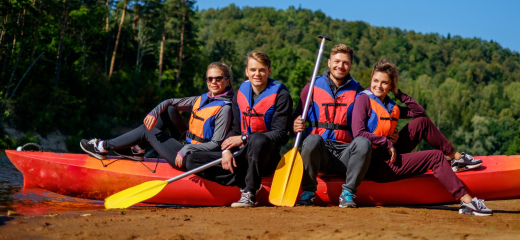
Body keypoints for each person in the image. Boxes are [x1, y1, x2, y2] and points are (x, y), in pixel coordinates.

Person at [352, 59, 492, 216]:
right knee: (435, 156)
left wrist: (399, 94)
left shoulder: (390, 104)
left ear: (391, 86)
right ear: (371, 80)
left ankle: (457, 158)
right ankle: (467, 202)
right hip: (376, 166)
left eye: (385, 83)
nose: (378, 86)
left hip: (389, 154)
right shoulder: (363, 100)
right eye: (375, 80)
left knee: (422, 123)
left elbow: (419, 112)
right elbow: (358, 133)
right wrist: (386, 142)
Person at [185, 51, 293, 207]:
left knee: (257, 138)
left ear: (269, 71)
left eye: (262, 70)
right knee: (192, 160)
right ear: (246, 72)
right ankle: (244, 182)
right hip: (241, 155)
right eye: (253, 69)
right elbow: (235, 128)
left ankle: (249, 193)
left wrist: (244, 139)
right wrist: (225, 151)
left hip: (266, 157)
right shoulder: (240, 93)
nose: (257, 74)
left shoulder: (281, 95)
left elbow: (280, 134)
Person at [79, 62, 234, 170]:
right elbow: (170, 101)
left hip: (195, 156)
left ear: (227, 81)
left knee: (148, 131)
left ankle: (103, 146)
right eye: (210, 78)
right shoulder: (203, 99)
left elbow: (215, 145)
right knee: (168, 110)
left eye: (218, 78)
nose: (213, 82)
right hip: (187, 143)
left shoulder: (225, 109)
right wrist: (154, 112)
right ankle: (138, 149)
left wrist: (186, 149)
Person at [293, 43, 371, 208]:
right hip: (321, 155)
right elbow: (295, 118)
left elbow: (370, 124)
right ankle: (308, 193)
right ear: (329, 63)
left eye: (345, 63)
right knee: (312, 139)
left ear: (350, 65)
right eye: (337, 61)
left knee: (364, 142)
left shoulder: (358, 91)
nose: (340, 66)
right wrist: (295, 124)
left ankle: (348, 194)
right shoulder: (312, 87)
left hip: (346, 154)